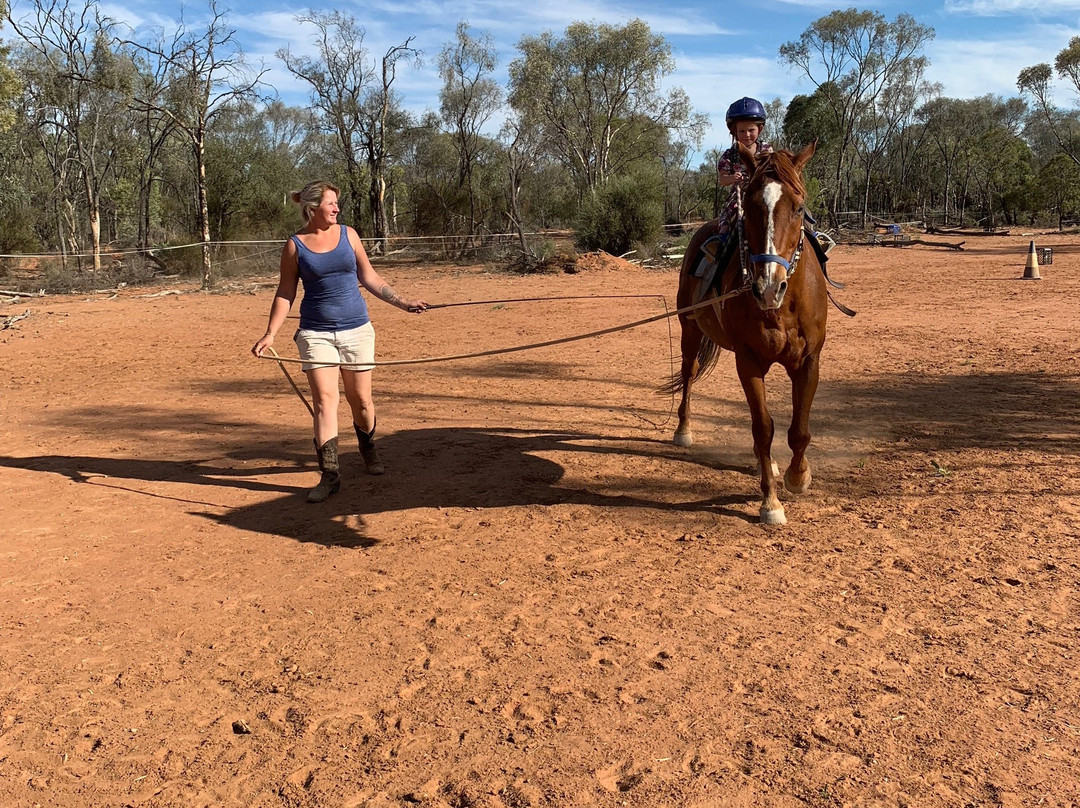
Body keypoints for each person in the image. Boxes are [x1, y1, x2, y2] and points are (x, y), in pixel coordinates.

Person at [252, 181, 428, 503]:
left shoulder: (349, 235)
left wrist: (402, 302)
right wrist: (270, 333)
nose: (336, 208)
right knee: (325, 401)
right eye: (331, 203)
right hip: (315, 333)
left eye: (336, 204)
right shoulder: (295, 246)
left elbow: (370, 277)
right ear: (312, 208)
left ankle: (367, 446)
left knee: (360, 401)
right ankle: (330, 474)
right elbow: (286, 292)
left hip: (357, 329)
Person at [715, 97, 773, 240]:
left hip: (766, 189)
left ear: (760, 129)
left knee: (793, 206)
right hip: (740, 194)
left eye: (751, 130)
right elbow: (722, 179)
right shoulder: (730, 155)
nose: (746, 135)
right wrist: (732, 178)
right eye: (741, 131)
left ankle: (813, 238)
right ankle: (719, 246)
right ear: (734, 132)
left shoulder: (767, 150)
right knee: (730, 216)